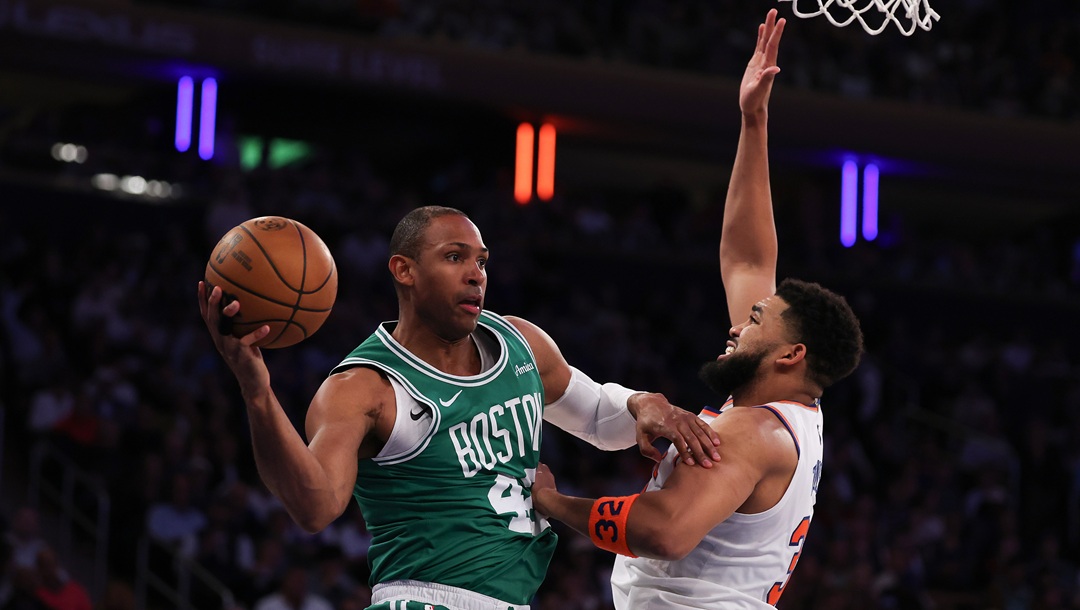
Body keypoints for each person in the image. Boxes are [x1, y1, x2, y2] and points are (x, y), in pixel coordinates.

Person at [198, 206, 723, 609]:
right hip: (423, 598)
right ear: (403, 270)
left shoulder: (520, 342)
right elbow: (314, 507)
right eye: (455, 258)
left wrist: (641, 404)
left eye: (481, 261)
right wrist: (257, 390)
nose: (476, 274)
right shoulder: (364, 386)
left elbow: (600, 421)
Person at [530, 10, 864, 609]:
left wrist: (553, 504)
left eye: (757, 321)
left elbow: (665, 531)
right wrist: (753, 119)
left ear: (791, 353)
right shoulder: (790, 410)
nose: (740, 323)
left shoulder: (752, 431)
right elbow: (745, 260)